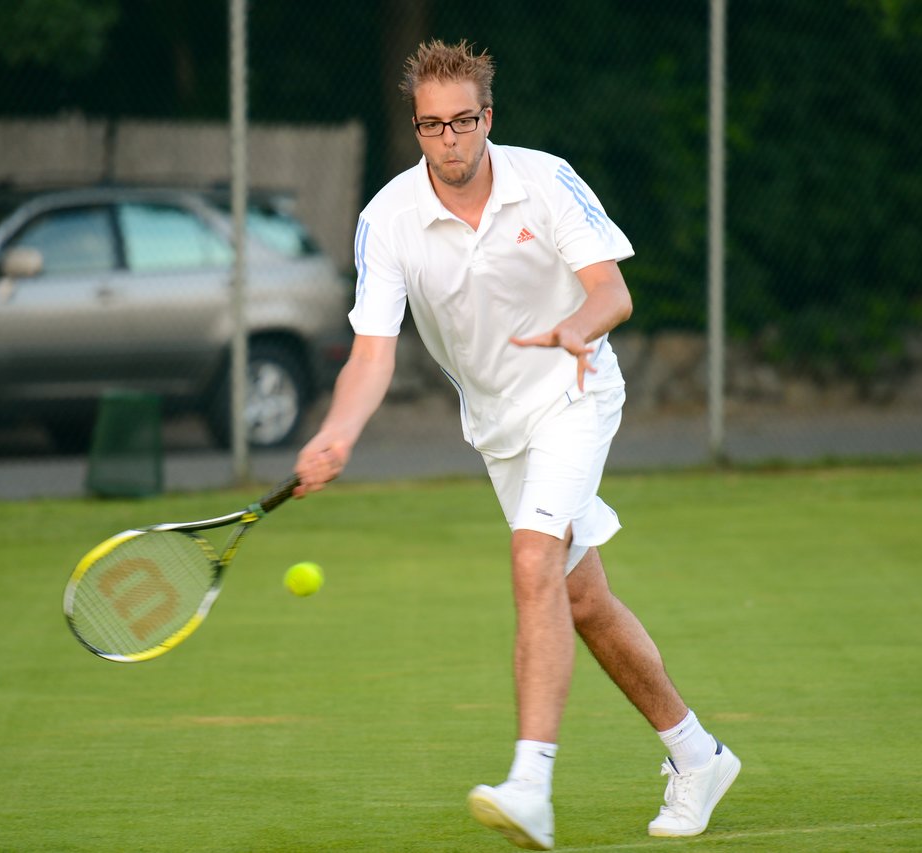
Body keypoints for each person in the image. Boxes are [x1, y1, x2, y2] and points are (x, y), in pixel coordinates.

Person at [293, 38, 740, 850]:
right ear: (417, 127)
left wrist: (577, 323)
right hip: (500, 431)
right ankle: (696, 753)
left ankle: (531, 783)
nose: (450, 139)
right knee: (582, 600)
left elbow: (613, 291)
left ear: (488, 117)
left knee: (534, 559)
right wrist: (337, 431)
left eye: (465, 121)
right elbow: (371, 353)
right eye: (433, 125)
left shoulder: (545, 178)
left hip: (574, 395)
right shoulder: (386, 218)